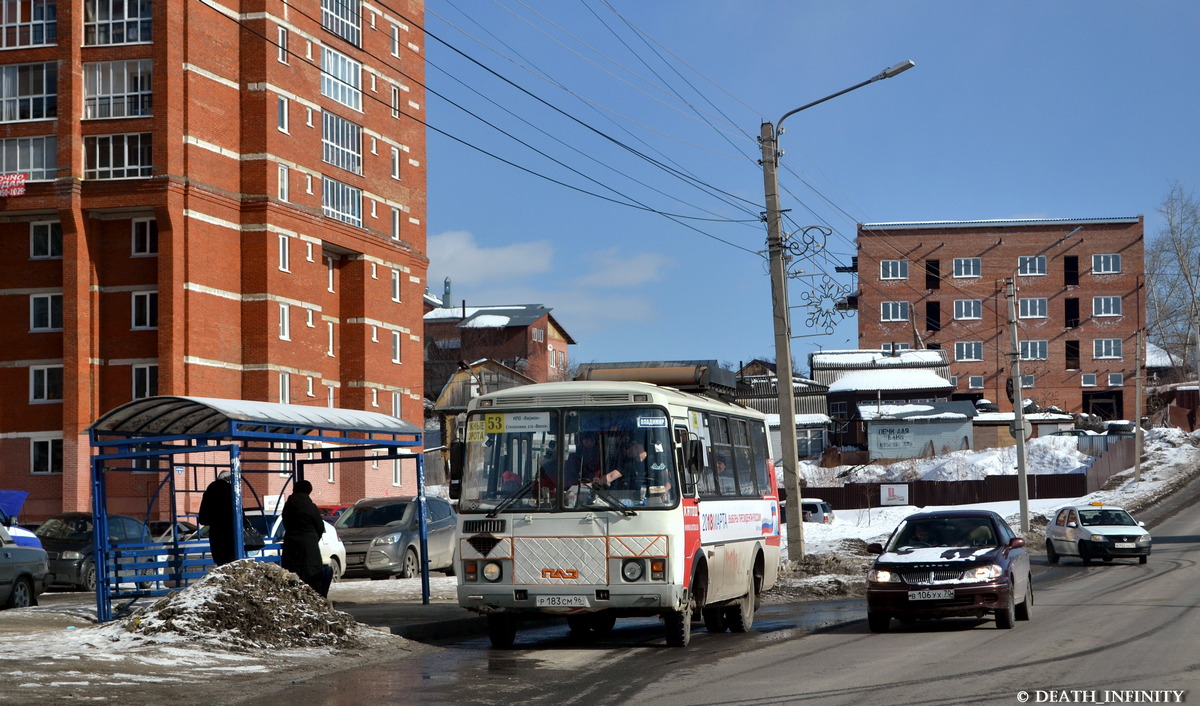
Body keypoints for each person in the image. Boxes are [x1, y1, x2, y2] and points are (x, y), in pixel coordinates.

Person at [281, 479, 330, 598]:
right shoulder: (311, 507)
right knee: (313, 576)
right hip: (309, 548)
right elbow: (320, 526)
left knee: (292, 574)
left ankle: (293, 597)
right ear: (309, 491)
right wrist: (313, 539)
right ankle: (313, 598)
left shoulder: (288, 505)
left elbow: (286, 522)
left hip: (291, 546)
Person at [197, 470, 236, 565]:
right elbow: (240, 516)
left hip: (216, 537)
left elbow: (203, 518)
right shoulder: (233, 492)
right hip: (232, 536)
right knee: (234, 566)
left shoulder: (209, 493)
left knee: (221, 567)